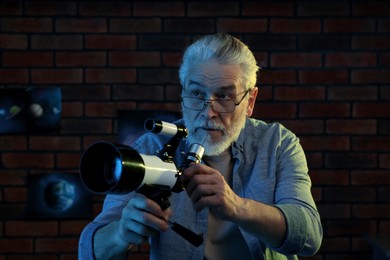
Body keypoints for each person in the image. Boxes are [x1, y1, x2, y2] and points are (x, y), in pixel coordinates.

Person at [79, 33, 323, 259]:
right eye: (197, 94)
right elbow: (89, 251)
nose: (208, 113)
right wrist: (120, 233)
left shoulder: (277, 144)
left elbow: (309, 236)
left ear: (250, 102)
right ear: (183, 93)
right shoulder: (150, 146)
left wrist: (235, 206)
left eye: (225, 96)